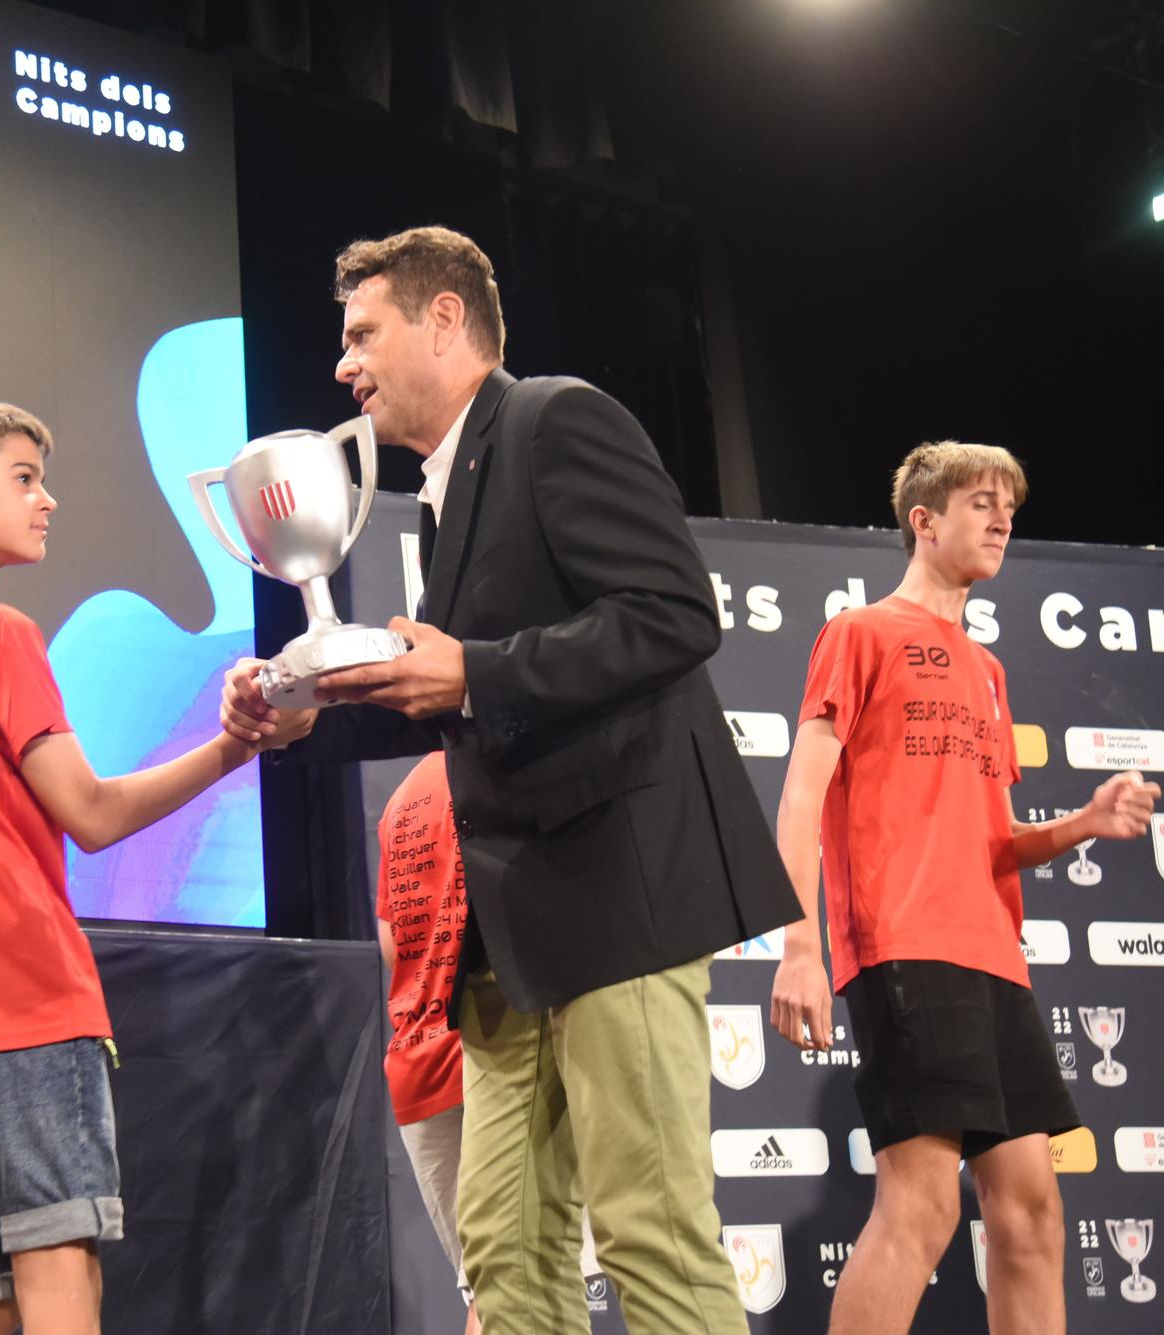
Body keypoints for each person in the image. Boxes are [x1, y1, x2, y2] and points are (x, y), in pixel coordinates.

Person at [222, 226, 797, 1335]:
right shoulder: (447, 490)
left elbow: (675, 616)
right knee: (504, 1251)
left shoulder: (552, 420)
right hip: (513, 933)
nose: (343, 365)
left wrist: (471, 668)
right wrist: (298, 714)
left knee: (649, 1234)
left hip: (611, 896)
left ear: (443, 321)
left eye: (362, 332)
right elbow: (461, 701)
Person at [0, 395, 305, 1335]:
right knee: (56, 1274)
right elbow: (91, 813)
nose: (48, 502)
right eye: (25, 479)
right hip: (18, 992)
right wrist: (238, 750)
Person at [766, 441, 1160, 1335]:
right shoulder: (860, 632)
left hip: (993, 957)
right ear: (925, 520)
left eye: (1009, 507)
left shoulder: (988, 672)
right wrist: (798, 944)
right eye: (981, 502)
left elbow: (988, 844)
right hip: (904, 949)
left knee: (1031, 1215)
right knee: (923, 1207)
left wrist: (1081, 824)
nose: (1001, 520)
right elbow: (800, 795)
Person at [378, 752, 601, 1335]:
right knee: (517, 1285)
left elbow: (391, 943)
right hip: (503, 1050)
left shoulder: (403, 797)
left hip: (420, 1061)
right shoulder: (512, 765)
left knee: (499, 1287)